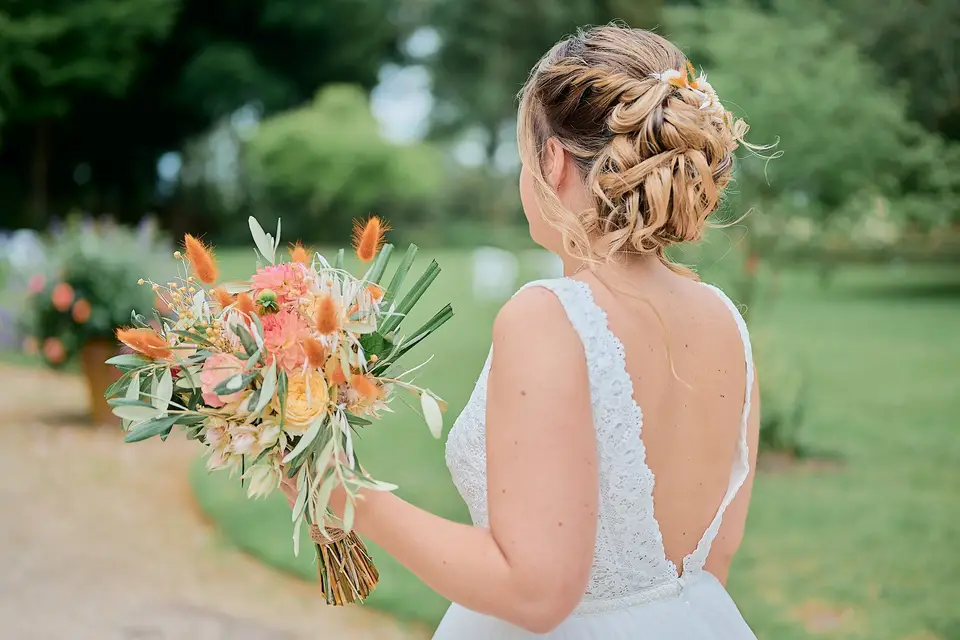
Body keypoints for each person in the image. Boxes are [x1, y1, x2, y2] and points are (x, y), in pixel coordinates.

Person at [282, 24, 761, 639]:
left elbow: (535, 594)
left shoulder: (549, 317)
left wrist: (349, 496)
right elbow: (713, 558)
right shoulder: (726, 319)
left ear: (552, 159)